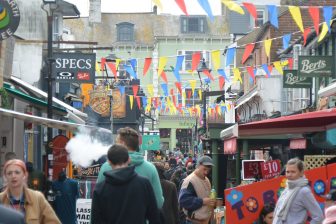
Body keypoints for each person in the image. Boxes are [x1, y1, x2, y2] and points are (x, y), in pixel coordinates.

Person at [92, 144, 162, 224]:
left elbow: (96, 220)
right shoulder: (144, 184)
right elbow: (154, 216)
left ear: (109, 161)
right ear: (129, 160)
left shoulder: (100, 189)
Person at [97, 127, 164, 209]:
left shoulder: (107, 166)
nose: (114, 145)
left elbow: (98, 200)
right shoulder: (150, 169)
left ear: (122, 144)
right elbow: (158, 202)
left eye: (116, 142)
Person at [0, 159, 61, 223]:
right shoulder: (1, 199)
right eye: (9, 173)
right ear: (5, 177)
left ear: (24, 175)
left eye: (17, 172)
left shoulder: (37, 198)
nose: (13, 176)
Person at [273, 158, 324, 224]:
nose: (289, 175)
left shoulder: (304, 191)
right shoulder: (287, 188)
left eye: (293, 172)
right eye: (287, 172)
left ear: (301, 172)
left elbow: (319, 217)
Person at [179, 155, 216, 224]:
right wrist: (203, 201)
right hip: (193, 221)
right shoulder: (190, 181)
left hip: (205, 220)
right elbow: (183, 201)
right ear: (198, 166)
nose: (206, 172)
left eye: (208, 170)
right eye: (204, 169)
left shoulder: (206, 179)